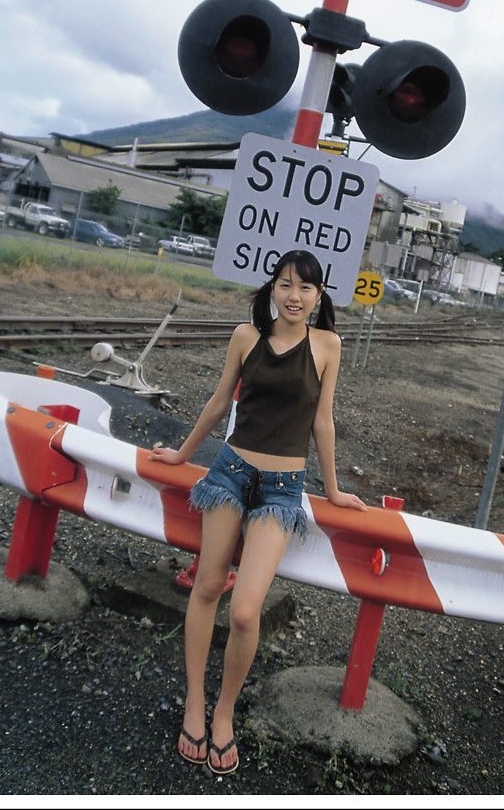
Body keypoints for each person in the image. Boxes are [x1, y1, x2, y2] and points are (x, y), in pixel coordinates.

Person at [148, 248, 367, 776]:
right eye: (286, 284)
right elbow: (220, 402)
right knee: (206, 587)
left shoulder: (328, 345)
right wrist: (181, 455)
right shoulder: (246, 337)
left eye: (306, 288)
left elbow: (323, 423)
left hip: (282, 488)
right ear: (273, 287)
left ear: (319, 297)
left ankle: (224, 713)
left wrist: (333, 491)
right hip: (228, 475)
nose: (294, 296)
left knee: (246, 611)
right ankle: (195, 705)